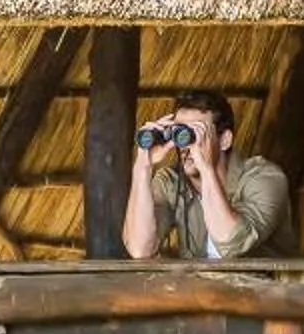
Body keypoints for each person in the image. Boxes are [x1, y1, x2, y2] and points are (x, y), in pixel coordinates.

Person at [122, 87, 292, 261]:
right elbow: (140, 250)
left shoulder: (265, 178)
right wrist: (142, 168)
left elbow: (233, 244)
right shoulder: (171, 182)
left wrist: (207, 168)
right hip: (199, 286)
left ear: (225, 140)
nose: (187, 147)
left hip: (261, 286)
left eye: (195, 134)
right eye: (181, 133)